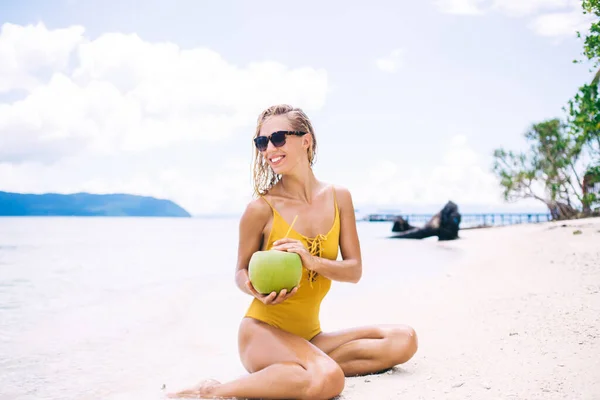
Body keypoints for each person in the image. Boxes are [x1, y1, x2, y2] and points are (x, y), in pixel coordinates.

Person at [168, 104, 418, 399]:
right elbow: (239, 272)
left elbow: (354, 270)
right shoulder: (260, 209)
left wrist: (311, 261)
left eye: (278, 138)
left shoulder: (339, 197)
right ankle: (212, 391)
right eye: (262, 142)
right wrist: (253, 287)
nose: (269, 149)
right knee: (329, 379)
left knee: (403, 339)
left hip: (309, 336)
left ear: (306, 140)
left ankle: (292, 372)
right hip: (262, 332)